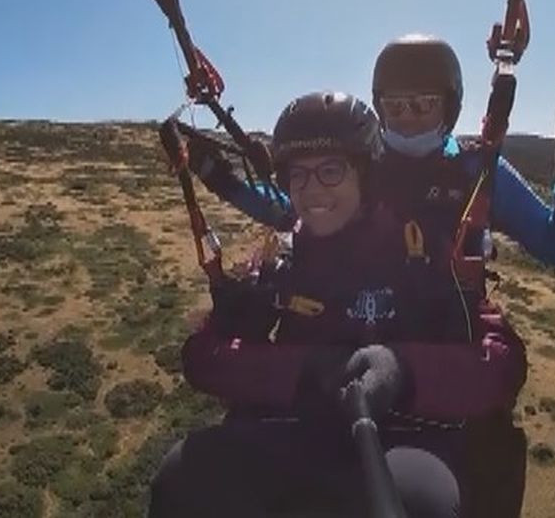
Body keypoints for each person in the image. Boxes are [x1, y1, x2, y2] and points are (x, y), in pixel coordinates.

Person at [148, 91, 528, 518]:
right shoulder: (281, 260)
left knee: (421, 503)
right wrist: (307, 370)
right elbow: (204, 358)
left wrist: (403, 372)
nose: (311, 191)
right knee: (184, 476)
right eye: (298, 175)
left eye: (331, 170)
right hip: (299, 430)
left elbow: (503, 364)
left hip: (406, 438)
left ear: (365, 175)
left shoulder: (422, 250)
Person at [186, 34, 555, 271]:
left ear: (449, 108)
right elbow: (295, 209)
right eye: (395, 107)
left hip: (448, 351)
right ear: (379, 108)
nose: (407, 119)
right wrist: (219, 178)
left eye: (423, 106)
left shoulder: (476, 170)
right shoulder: (366, 164)